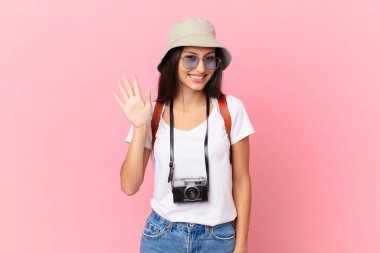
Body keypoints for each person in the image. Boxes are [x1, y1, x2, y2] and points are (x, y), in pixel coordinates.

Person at [114, 16, 255, 253]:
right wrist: (140, 126)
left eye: (209, 59)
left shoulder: (231, 110)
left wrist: (241, 245)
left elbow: (242, 181)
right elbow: (129, 186)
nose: (201, 68)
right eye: (190, 58)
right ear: (173, 60)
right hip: (162, 236)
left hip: (217, 239)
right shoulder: (151, 112)